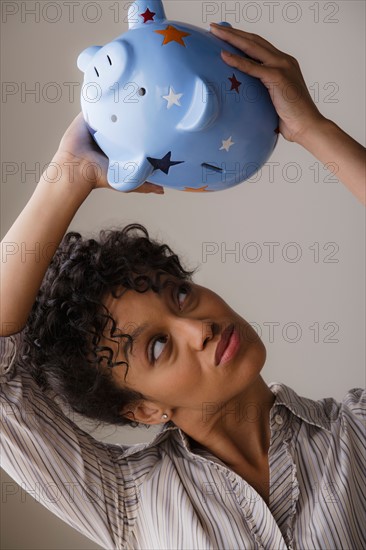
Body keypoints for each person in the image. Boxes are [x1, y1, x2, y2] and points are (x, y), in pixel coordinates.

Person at [1, 24, 365, 550]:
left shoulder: (353, 436)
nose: (198, 329)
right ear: (144, 409)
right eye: (157, 345)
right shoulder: (127, 501)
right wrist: (69, 173)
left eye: (179, 297)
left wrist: (313, 129)